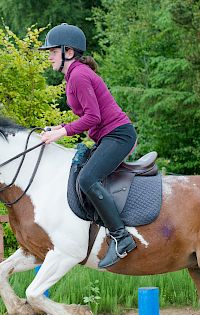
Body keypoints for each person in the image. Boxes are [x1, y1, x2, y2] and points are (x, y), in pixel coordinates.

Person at [39, 23, 138, 269]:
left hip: (118, 135)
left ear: (68, 52)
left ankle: (121, 237)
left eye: (52, 51)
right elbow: (89, 115)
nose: (48, 56)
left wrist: (62, 132)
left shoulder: (79, 76)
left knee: (86, 179)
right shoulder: (74, 76)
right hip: (109, 136)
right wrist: (59, 126)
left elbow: (93, 118)